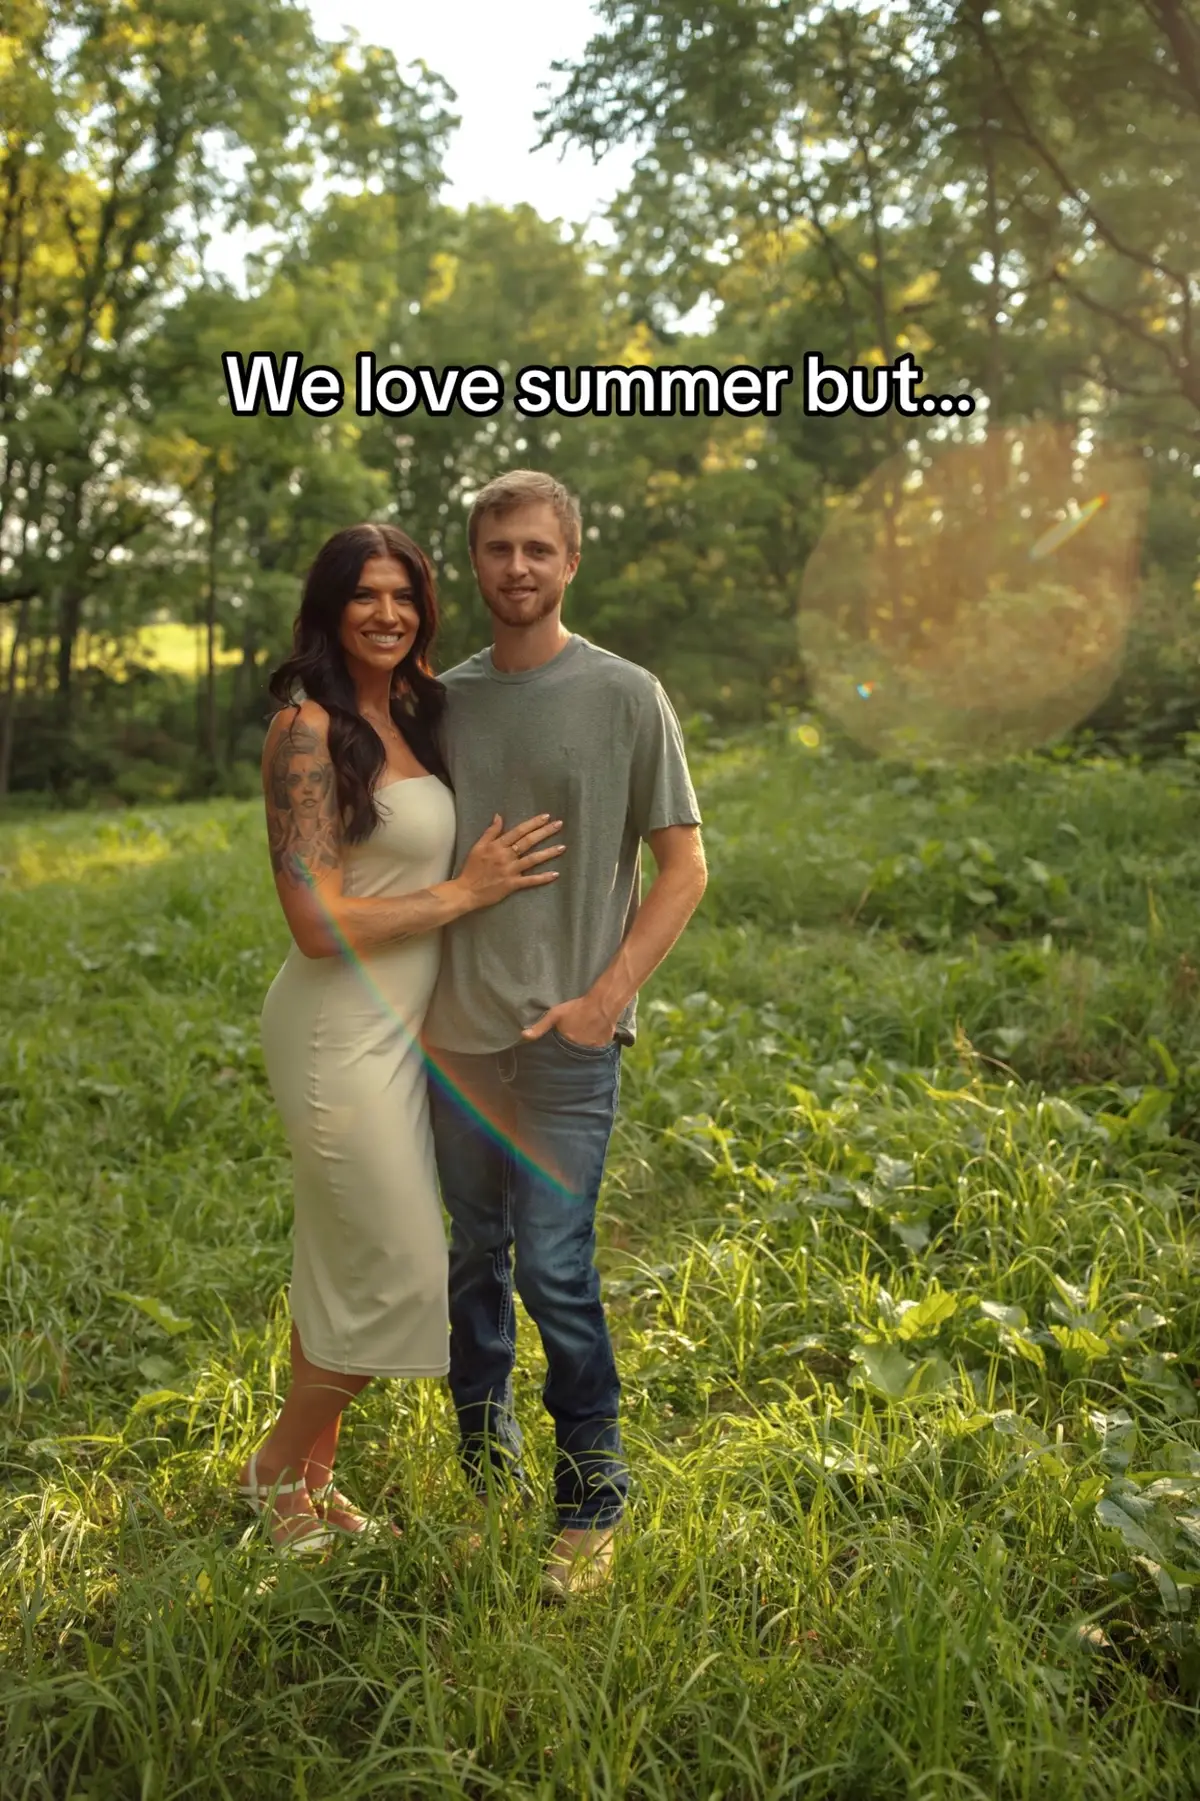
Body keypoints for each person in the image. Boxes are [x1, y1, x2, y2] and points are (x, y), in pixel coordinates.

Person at [239, 522, 565, 1555]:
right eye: (366, 594)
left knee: (340, 1258)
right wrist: (463, 891)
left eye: (406, 596)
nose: (388, 613)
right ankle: (270, 1468)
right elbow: (315, 922)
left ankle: (311, 1481)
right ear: (330, 607)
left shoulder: (419, 716)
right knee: (402, 1269)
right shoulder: (306, 727)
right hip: (337, 1029)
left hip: (405, 1031)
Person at [423, 470, 707, 1598]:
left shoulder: (629, 695)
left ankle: (593, 1493)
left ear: (572, 560)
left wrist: (604, 1002)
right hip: (453, 1040)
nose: (518, 567)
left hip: (566, 1042)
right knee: (470, 1263)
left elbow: (685, 866)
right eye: (498, 549)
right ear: (476, 562)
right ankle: (482, 1468)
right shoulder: (437, 702)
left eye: (539, 549)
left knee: (554, 1266)